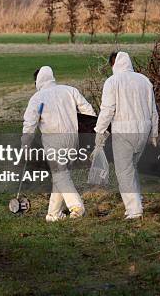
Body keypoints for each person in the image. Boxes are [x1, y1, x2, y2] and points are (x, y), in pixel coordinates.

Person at [22, 66, 96, 222]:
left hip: (53, 140)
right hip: (73, 139)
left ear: (38, 81)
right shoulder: (69, 90)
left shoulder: (37, 98)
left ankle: (77, 207)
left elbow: (30, 124)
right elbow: (88, 111)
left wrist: (25, 144)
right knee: (61, 176)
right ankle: (54, 213)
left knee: (60, 175)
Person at [94, 51, 159, 220]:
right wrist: (154, 133)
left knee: (124, 171)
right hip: (143, 130)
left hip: (123, 130)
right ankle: (137, 199)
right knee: (132, 167)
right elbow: (153, 110)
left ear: (113, 65)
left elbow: (108, 110)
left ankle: (134, 210)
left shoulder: (112, 82)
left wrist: (99, 131)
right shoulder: (144, 80)